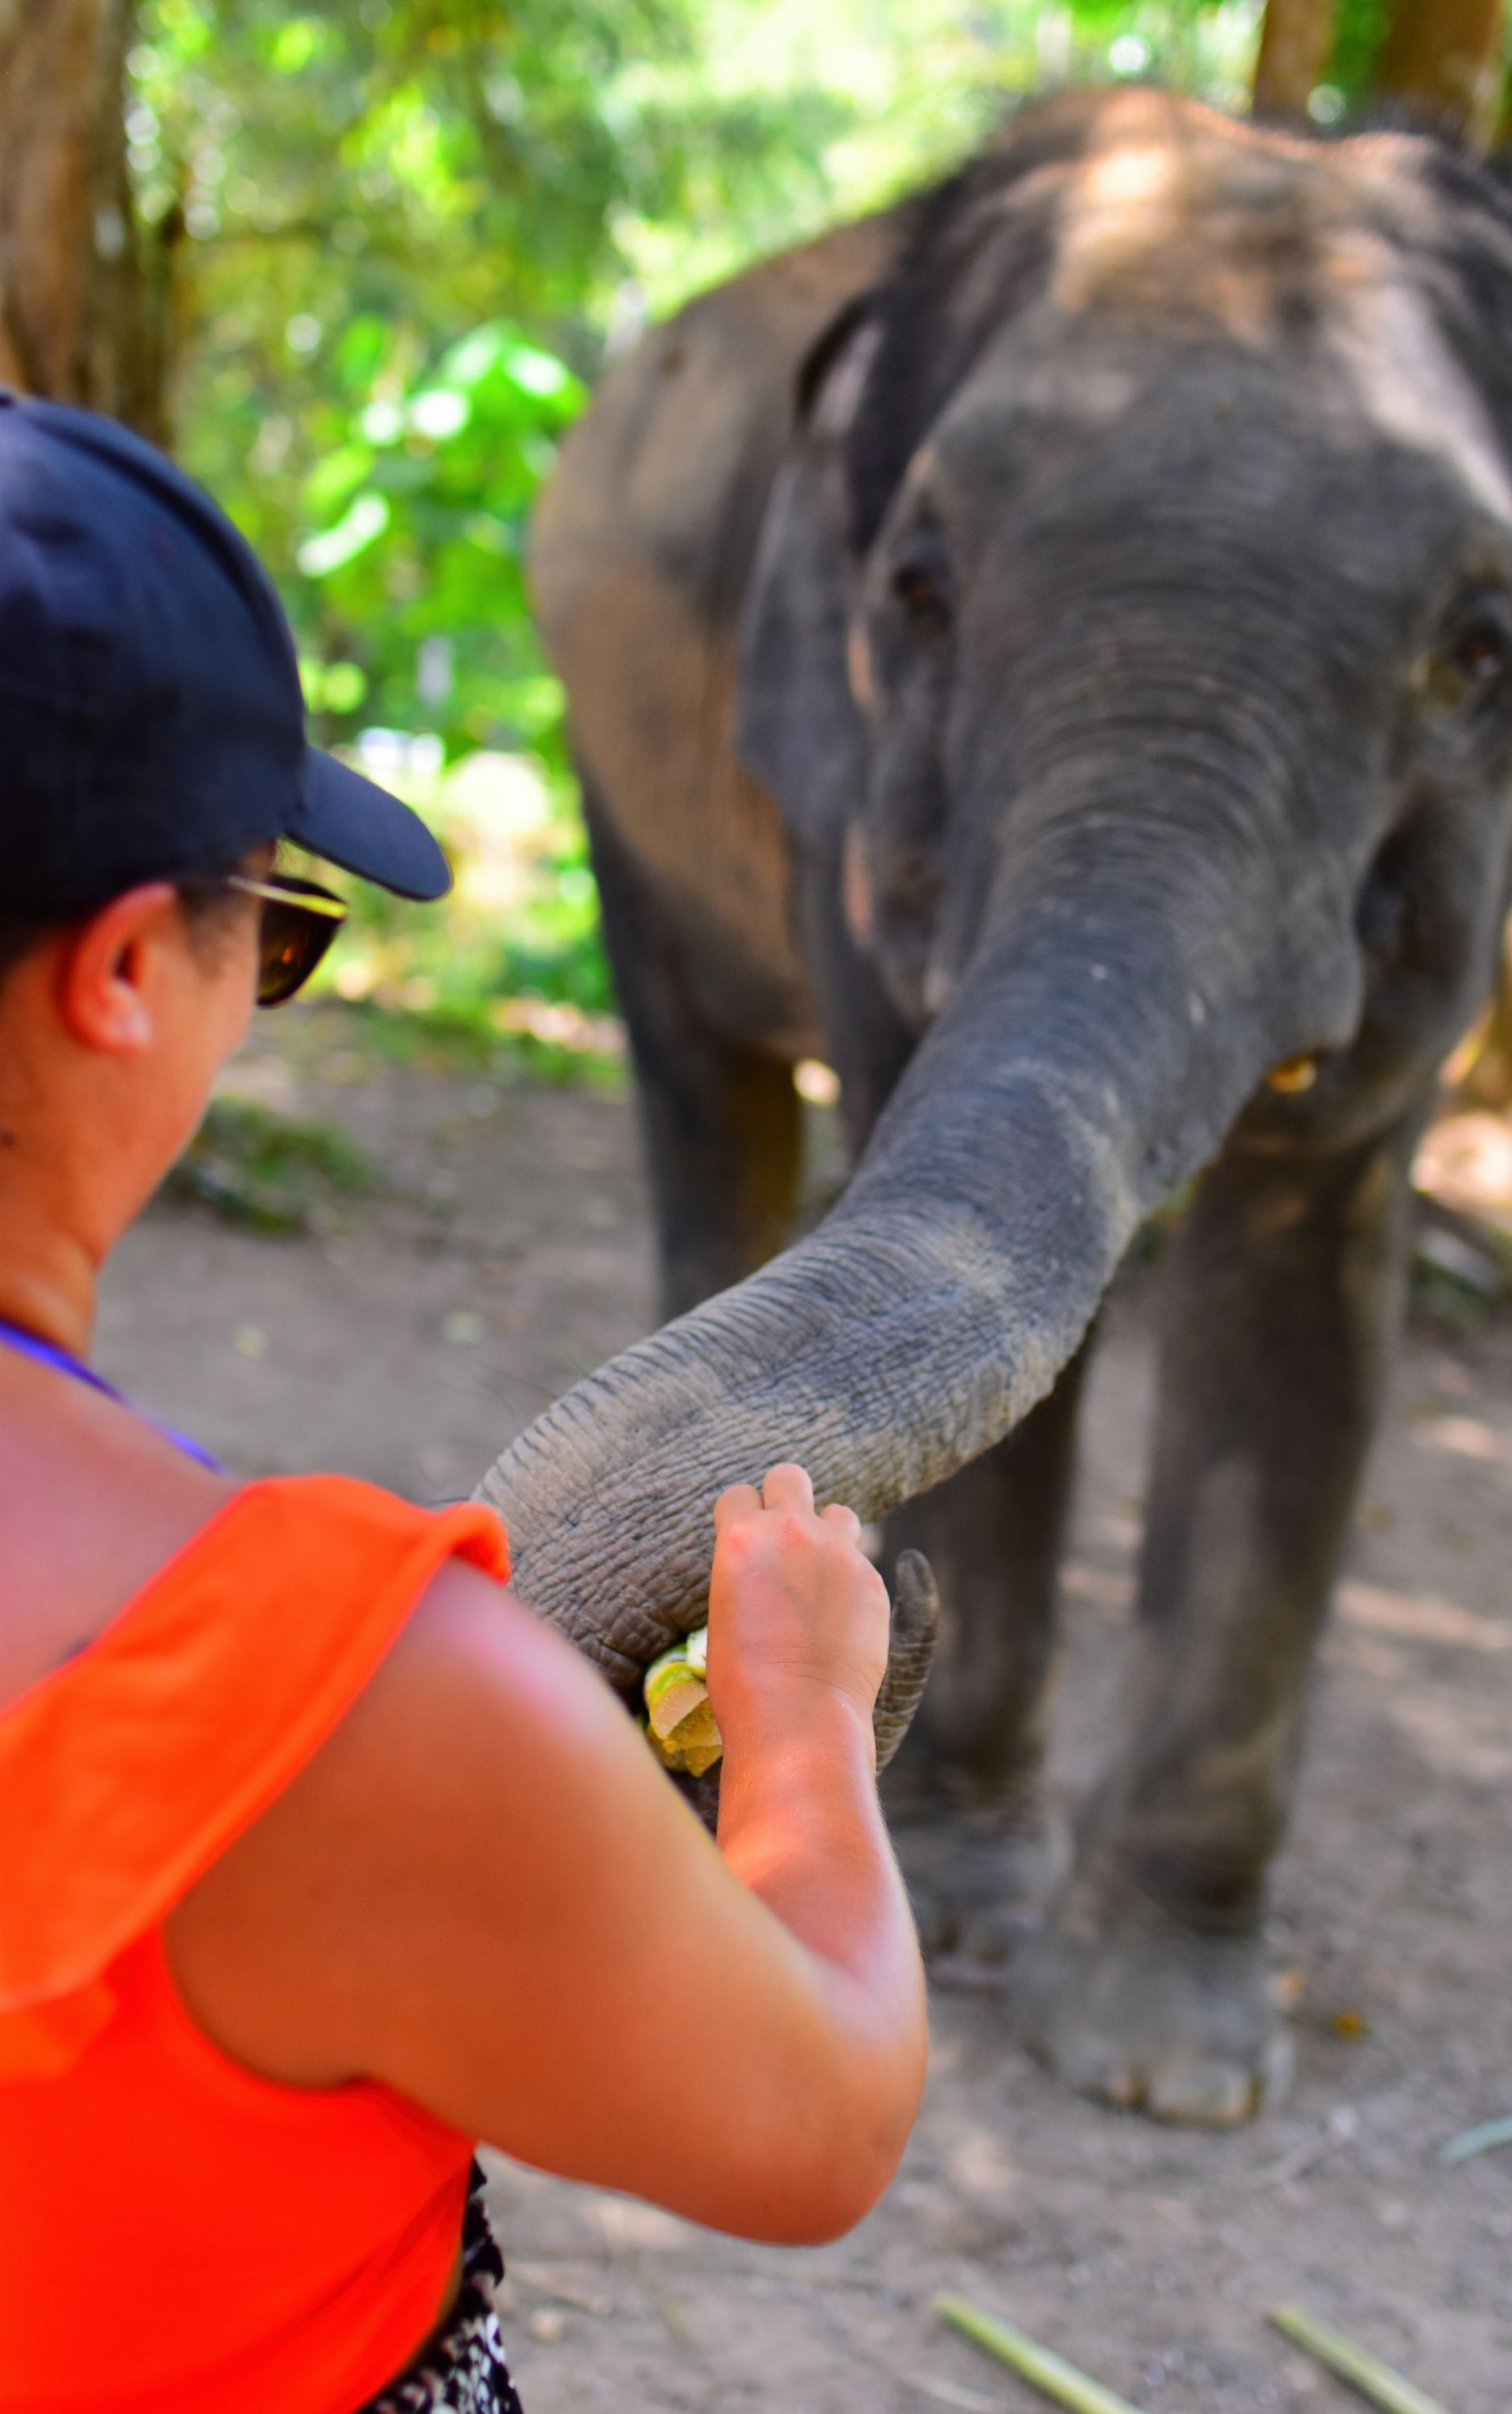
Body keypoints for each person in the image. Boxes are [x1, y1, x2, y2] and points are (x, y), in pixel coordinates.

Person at [0, 393, 926, 2414]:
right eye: (284, 930)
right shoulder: (327, 1699)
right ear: (128, 970)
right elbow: (820, 2117)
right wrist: (804, 1739)